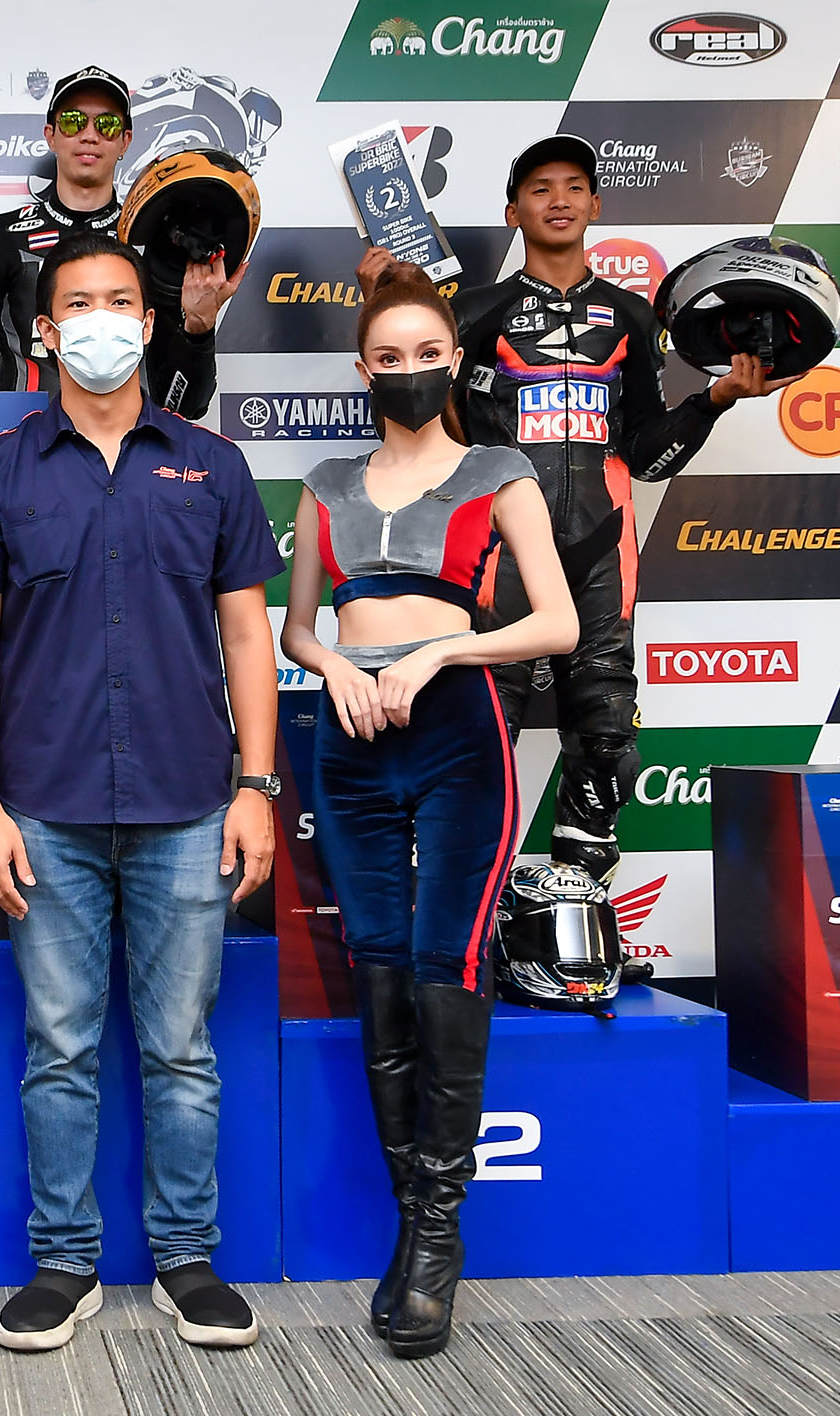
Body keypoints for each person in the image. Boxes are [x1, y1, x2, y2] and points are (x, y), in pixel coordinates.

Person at [0, 232, 282, 1353]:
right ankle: (63, 1263)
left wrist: (257, 785)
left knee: (181, 1049)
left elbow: (248, 636)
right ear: (44, 330)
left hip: (191, 802)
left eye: (119, 301)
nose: (99, 320)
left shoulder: (211, 466)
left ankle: (187, 1259)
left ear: (148, 321)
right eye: (76, 303)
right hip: (43, 806)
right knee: (60, 1048)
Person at [357, 135, 794, 882]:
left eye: (572, 186)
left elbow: (648, 455)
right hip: (498, 554)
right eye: (539, 188)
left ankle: (574, 911)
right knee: (476, 730)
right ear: (512, 211)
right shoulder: (471, 313)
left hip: (601, 549)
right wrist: (385, 304)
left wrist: (715, 399)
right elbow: (412, 426)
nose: (557, 200)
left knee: (607, 739)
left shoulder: (632, 316)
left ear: (595, 203)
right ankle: (465, 907)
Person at [280, 264, 577, 1359]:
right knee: (378, 963)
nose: (408, 370)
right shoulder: (324, 482)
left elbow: (556, 624)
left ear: (454, 361)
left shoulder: (500, 473)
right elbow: (297, 628)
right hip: (349, 740)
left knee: (446, 961)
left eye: (426, 353)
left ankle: (436, 1237)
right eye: (388, 356)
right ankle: (414, 1220)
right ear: (363, 369)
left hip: (457, 733)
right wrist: (333, 669)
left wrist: (445, 649)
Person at [0, 67, 239, 417]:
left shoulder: (156, 244)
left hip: (133, 443)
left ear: (125, 141)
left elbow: (186, 405)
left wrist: (200, 327)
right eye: (73, 122)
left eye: (107, 125)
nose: (89, 135)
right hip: (30, 441)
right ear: (51, 135)